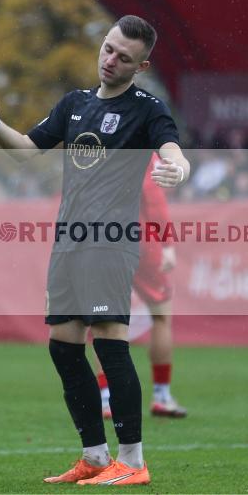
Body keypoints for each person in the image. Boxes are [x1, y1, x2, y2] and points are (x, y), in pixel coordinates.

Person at [0, 15, 189, 486]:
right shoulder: (74, 103)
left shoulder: (147, 109)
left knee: (111, 344)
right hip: (69, 241)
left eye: (124, 57)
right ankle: (94, 455)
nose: (111, 60)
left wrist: (178, 169)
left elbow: (173, 150)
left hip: (110, 244)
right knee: (64, 348)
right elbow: (29, 148)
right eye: (109, 49)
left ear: (141, 65)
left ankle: (132, 462)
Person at [97, 153, 187, 419]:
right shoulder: (142, 150)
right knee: (161, 316)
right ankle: (161, 396)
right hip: (139, 238)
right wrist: (167, 243)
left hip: (102, 238)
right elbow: (153, 196)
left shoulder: (94, 145)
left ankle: (105, 398)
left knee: (103, 321)